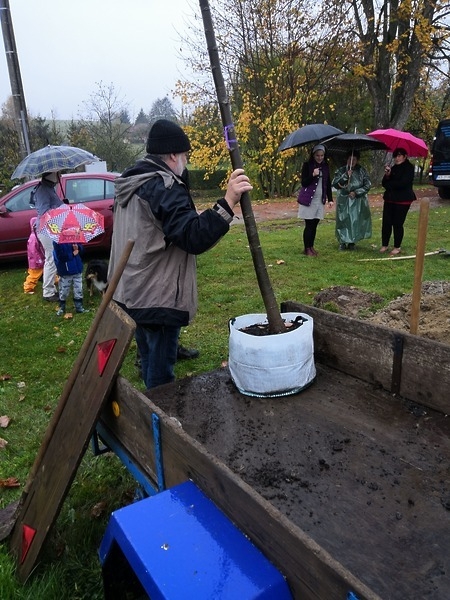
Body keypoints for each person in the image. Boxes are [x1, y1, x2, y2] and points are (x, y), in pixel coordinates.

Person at [107, 118, 252, 390]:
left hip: (131, 290)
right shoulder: (163, 186)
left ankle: (149, 404)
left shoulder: (133, 181)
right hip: (156, 296)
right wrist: (228, 202)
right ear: (173, 155)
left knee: (149, 357)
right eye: (185, 155)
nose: (186, 161)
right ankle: (158, 414)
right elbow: (192, 236)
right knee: (161, 378)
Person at [297, 144, 334, 256]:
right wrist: (313, 174)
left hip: (319, 199)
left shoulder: (325, 166)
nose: (320, 158)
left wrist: (330, 199)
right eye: (317, 155)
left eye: (322, 155)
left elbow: (327, 183)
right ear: (313, 155)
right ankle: (306, 248)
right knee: (309, 224)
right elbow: (304, 183)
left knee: (315, 224)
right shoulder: (307, 165)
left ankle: (311, 246)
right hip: (309, 199)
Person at [332, 150, 372, 250]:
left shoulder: (362, 171)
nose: (352, 162)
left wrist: (356, 192)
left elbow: (367, 185)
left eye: (354, 159)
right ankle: (342, 241)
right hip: (344, 199)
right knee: (342, 219)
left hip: (357, 200)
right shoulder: (341, 170)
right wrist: (345, 176)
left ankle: (352, 241)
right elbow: (335, 184)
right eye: (350, 159)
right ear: (347, 159)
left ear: (357, 160)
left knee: (355, 220)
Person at [380, 147, 416, 256]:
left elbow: (403, 183)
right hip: (390, 199)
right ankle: (385, 244)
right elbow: (384, 183)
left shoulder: (409, 168)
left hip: (403, 200)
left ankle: (397, 246)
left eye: (399, 155)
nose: (397, 158)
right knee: (386, 222)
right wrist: (388, 175)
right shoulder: (393, 168)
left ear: (405, 156)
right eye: (395, 156)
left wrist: (390, 183)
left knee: (397, 223)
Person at [34, 171, 64, 301]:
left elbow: (52, 205)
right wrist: (60, 209)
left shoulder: (49, 188)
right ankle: (48, 292)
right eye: (58, 173)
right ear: (51, 175)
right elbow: (44, 212)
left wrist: (62, 204)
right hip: (46, 229)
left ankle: (50, 288)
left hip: (51, 228)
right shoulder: (43, 190)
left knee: (52, 259)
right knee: (51, 259)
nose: (60, 176)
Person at [53, 242, 88, 316]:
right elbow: (60, 257)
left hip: (77, 269)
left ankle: (79, 306)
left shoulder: (74, 238)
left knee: (79, 288)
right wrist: (72, 254)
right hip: (66, 271)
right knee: (64, 290)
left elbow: (82, 250)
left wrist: (78, 248)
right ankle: (62, 306)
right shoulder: (57, 242)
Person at [23, 217, 44, 294]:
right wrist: (38, 260)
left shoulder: (37, 235)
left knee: (48, 270)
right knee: (34, 275)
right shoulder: (34, 237)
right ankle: (28, 288)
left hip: (41, 259)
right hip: (36, 261)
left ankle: (55, 280)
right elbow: (33, 251)